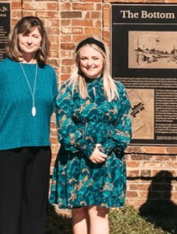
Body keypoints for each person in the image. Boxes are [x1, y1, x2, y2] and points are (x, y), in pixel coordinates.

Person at [0, 16, 58, 234]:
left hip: (40, 146)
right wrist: (6, 127)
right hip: (7, 147)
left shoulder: (48, 73)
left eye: (35, 36)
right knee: (9, 208)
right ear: (17, 37)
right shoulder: (2, 70)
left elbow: (49, 106)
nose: (30, 40)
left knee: (35, 208)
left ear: (42, 41)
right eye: (26, 35)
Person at [50, 37, 132, 234]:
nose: (90, 63)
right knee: (78, 211)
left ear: (104, 59)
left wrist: (102, 150)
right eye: (84, 58)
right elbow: (64, 126)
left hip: (106, 160)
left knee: (98, 211)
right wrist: (87, 148)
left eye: (95, 58)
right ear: (78, 61)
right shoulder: (68, 90)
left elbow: (124, 125)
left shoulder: (117, 90)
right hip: (76, 158)